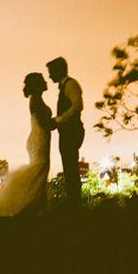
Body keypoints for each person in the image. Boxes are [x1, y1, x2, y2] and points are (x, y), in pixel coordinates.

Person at [0, 73, 53, 217]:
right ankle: (35, 209)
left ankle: (40, 209)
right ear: (37, 85)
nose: (46, 81)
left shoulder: (37, 99)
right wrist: (61, 120)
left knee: (40, 173)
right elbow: (45, 123)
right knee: (39, 171)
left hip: (40, 138)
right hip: (40, 139)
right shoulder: (36, 100)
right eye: (42, 80)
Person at [47, 57, 84, 210]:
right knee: (69, 168)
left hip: (71, 132)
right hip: (67, 133)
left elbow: (77, 106)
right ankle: (73, 203)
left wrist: (59, 120)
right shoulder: (65, 86)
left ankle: (74, 205)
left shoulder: (71, 85)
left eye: (51, 72)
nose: (49, 76)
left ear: (58, 70)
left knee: (71, 169)